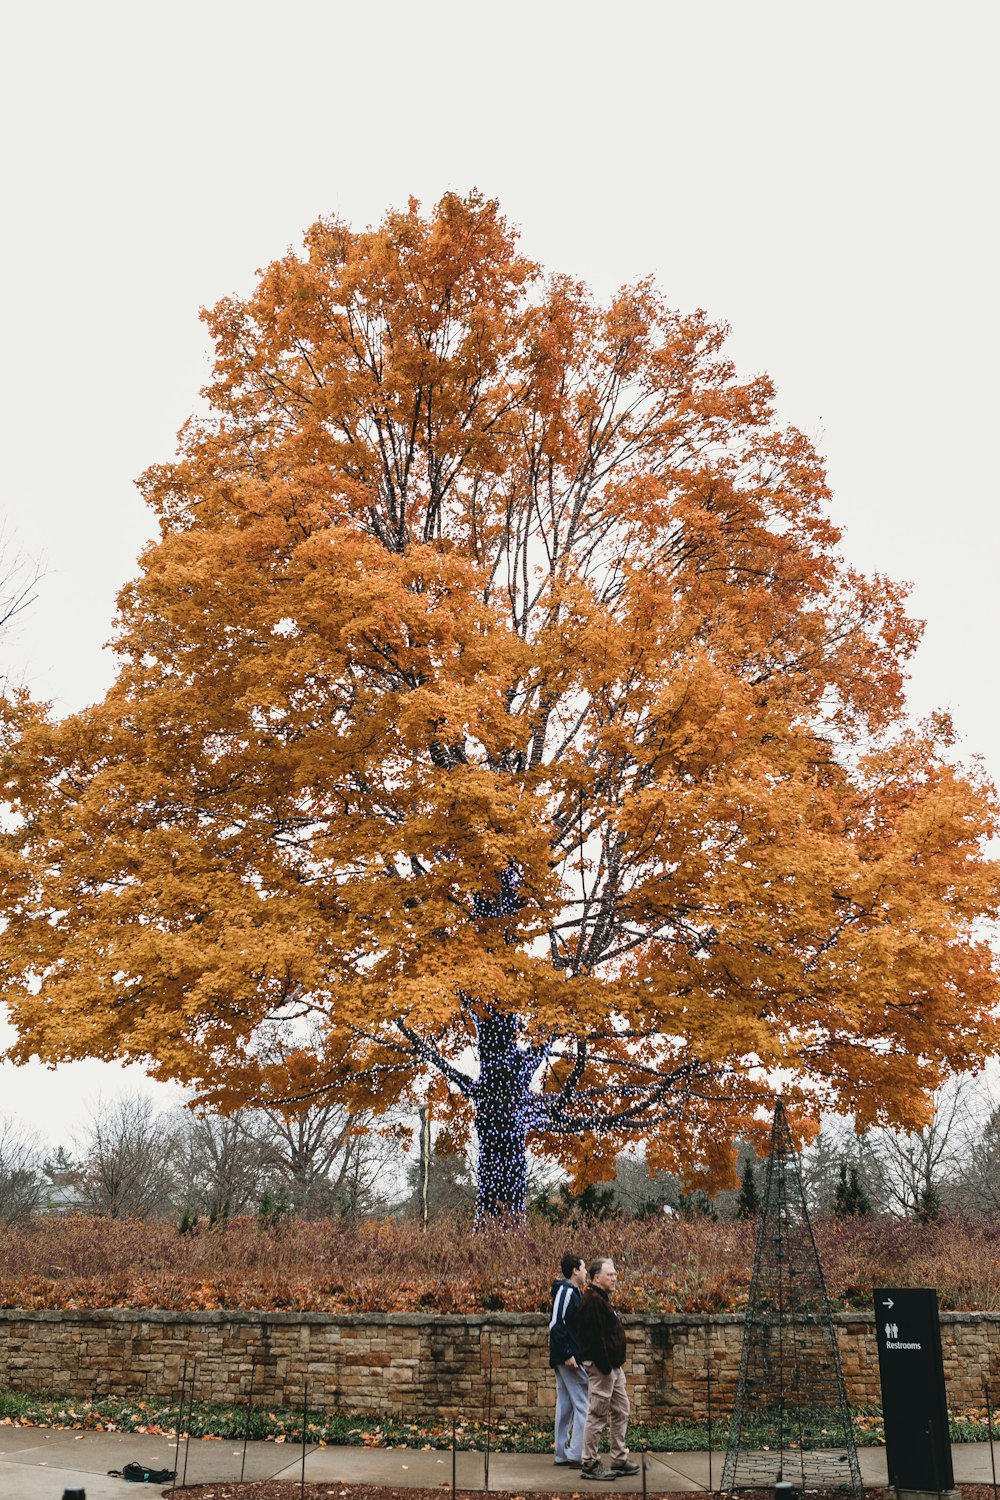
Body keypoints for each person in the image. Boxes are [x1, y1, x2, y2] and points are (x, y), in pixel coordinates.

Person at [577, 1257, 640, 1481]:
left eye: (615, 1274)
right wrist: (605, 1367)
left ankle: (619, 1458)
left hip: (613, 1367)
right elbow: (596, 1339)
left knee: (621, 1409)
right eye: (610, 1274)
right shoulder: (593, 1300)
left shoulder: (601, 1299)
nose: (614, 1278)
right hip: (602, 1367)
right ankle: (590, 1463)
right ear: (596, 1278)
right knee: (597, 1414)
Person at [549, 1252, 589, 1467]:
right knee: (583, 1403)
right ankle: (576, 1453)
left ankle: (562, 1453)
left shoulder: (574, 1292)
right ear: (575, 1270)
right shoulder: (565, 1292)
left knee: (566, 1404)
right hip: (567, 1357)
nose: (585, 1272)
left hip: (568, 1355)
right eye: (583, 1268)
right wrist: (567, 1355)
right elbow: (556, 1324)